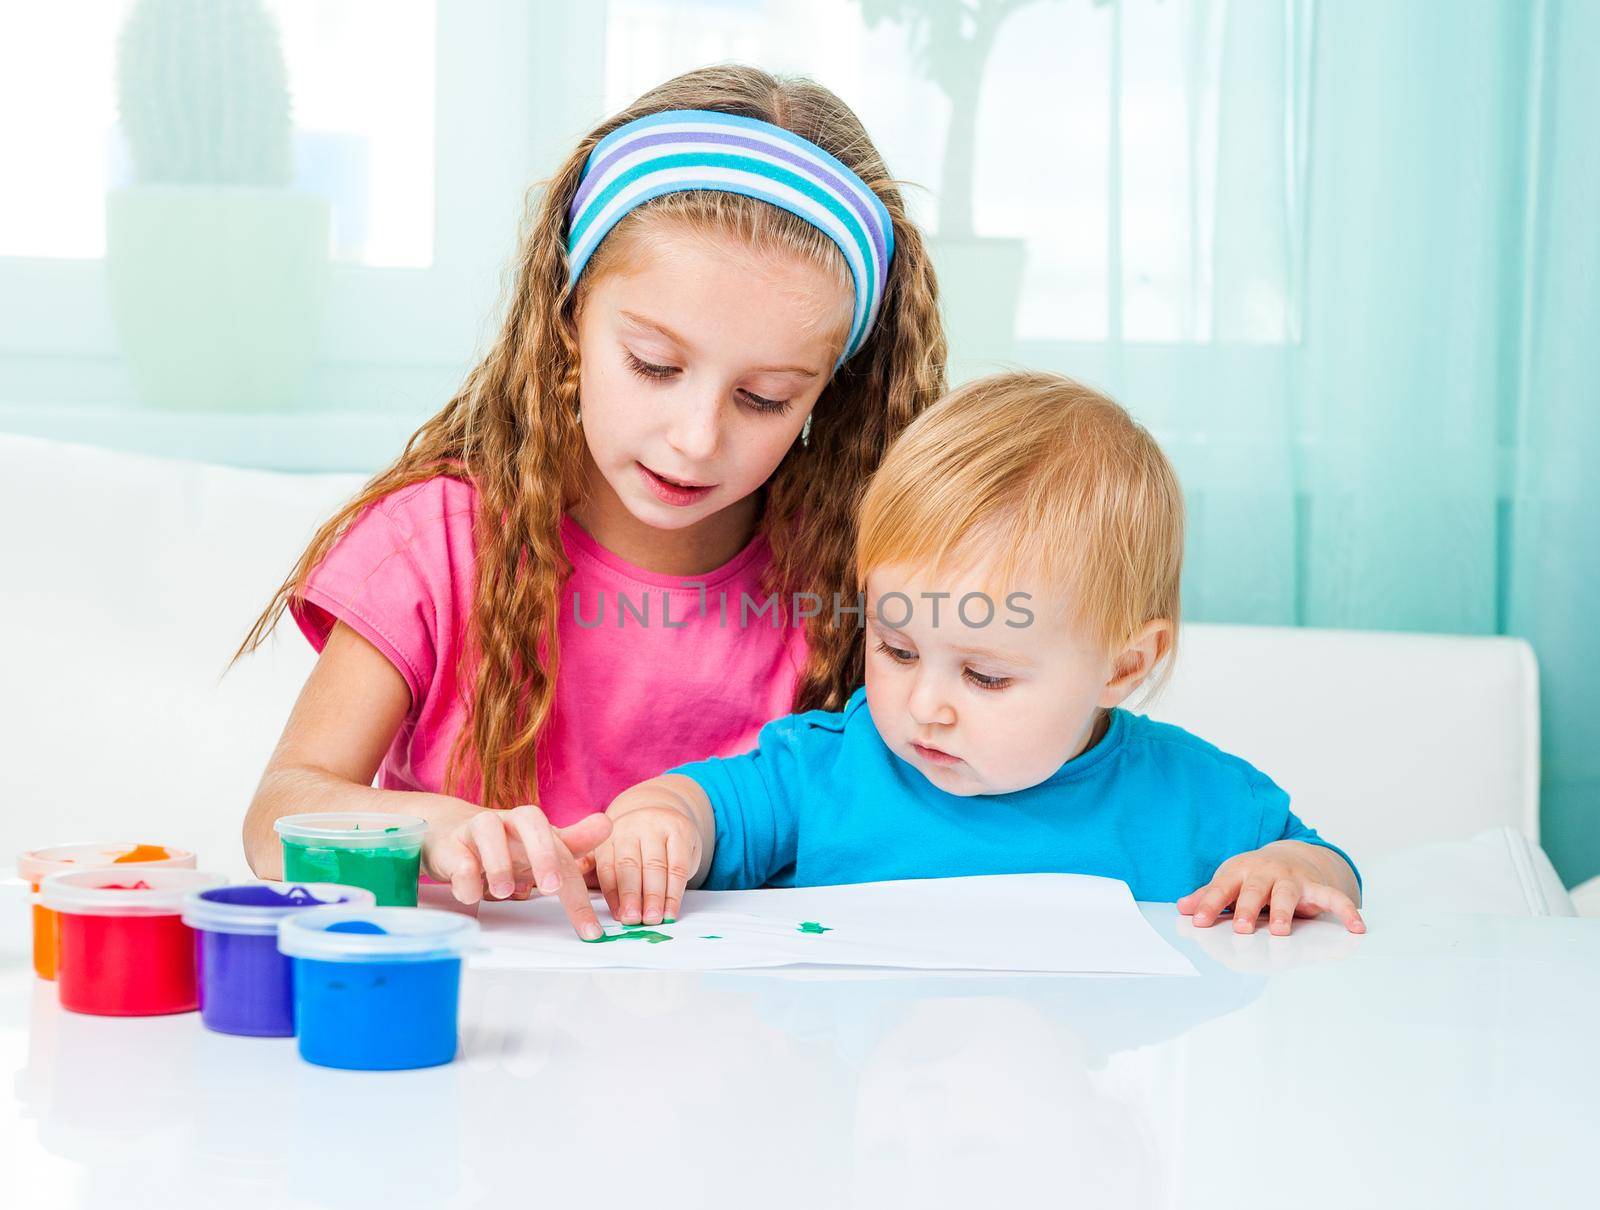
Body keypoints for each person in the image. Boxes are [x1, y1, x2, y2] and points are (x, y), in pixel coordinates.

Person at [236, 65, 946, 937]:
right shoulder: (436, 544)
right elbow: (277, 820)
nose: (695, 437)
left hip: (749, 1040)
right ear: (568, 318)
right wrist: (438, 830)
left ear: (827, 395)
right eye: (653, 364)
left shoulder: (850, 570)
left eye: (764, 398)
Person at [593, 371, 1364, 936]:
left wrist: (1295, 874)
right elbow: (702, 810)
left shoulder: (1189, 793)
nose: (926, 705)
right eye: (895, 649)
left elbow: (1323, 867)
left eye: (985, 674)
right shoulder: (829, 770)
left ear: (1123, 667)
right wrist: (662, 823)